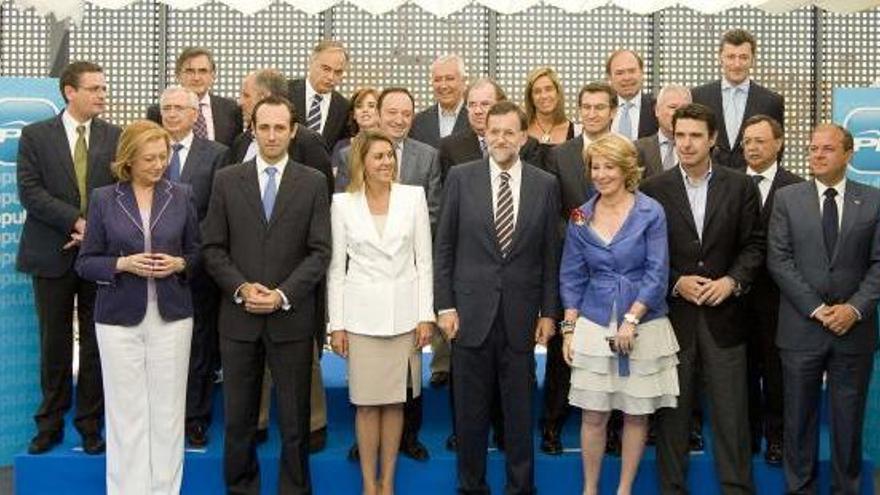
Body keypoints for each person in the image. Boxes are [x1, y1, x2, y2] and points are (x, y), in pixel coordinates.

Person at [201, 95, 331, 494]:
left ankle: (294, 488)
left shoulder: (313, 182)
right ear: (252, 130)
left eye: (280, 127)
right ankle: (241, 487)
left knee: (295, 422)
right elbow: (213, 248)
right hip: (239, 320)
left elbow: (320, 251)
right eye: (264, 127)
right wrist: (241, 288)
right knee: (239, 420)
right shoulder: (226, 180)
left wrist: (282, 294)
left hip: (290, 318)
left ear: (293, 131)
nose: (272, 135)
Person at [435, 100, 561, 495]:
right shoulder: (460, 177)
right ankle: (471, 486)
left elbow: (548, 256)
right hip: (469, 314)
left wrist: (548, 312)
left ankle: (520, 487)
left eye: (510, 132)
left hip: (521, 317)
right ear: (484, 135)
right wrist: (445, 305)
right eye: (495, 132)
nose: (501, 139)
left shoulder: (545, 184)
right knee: (469, 415)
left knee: (519, 413)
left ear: (524, 137)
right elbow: (445, 249)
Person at [641, 103, 763, 495]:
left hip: (725, 319)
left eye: (696, 135)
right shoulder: (652, 190)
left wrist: (731, 282)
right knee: (672, 419)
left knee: (731, 418)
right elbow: (645, 255)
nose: (687, 144)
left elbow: (755, 246)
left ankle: (736, 489)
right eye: (680, 135)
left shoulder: (741, 186)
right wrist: (676, 282)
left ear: (712, 140)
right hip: (673, 320)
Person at [75, 119, 200, 495]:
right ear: (128, 160)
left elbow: (197, 252)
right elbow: (85, 262)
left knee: (167, 413)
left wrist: (181, 264)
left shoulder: (182, 195)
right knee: (125, 413)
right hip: (117, 320)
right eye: (149, 159)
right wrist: (121, 264)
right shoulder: (102, 199)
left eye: (163, 157)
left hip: (173, 317)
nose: (158, 165)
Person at [559, 133, 678, 495]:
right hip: (594, 323)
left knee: (635, 413)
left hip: (644, 321)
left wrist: (632, 318)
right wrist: (568, 328)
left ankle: (624, 489)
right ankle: (590, 489)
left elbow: (658, 272)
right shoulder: (580, 215)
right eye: (596, 167)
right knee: (593, 413)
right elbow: (572, 274)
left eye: (609, 166)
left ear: (626, 170)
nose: (601, 174)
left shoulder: (650, 211)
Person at [768, 124, 880, 494]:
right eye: (812, 149)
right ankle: (800, 489)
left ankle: (846, 489)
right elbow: (779, 261)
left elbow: (879, 263)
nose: (817, 155)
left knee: (848, 422)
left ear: (848, 154)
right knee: (798, 421)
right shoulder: (787, 198)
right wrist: (817, 308)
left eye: (827, 149)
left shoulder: (875, 200)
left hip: (854, 331)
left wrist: (854, 309)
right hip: (801, 329)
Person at [17, 60, 121, 455]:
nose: (101, 96)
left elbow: (122, 191)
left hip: (99, 255)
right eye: (94, 88)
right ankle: (50, 422)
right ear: (69, 92)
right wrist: (77, 224)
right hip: (51, 252)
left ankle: (90, 423)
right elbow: (31, 192)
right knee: (54, 343)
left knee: (96, 343)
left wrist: (94, 232)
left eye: (103, 89)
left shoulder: (115, 136)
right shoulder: (35, 136)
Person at [229, 68, 333, 451]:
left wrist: (288, 288)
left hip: (295, 281)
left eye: (246, 95)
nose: (270, 134)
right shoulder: (238, 147)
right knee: (251, 362)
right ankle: (255, 422)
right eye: (262, 126)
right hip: (246, 278)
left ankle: (314, 425)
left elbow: (320, 215)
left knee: (302, 362)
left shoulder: (309, 148)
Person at [328, 130, 435, 495]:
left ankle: (388, 482)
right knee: (367, 406)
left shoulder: (413, 197)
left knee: (395, 404)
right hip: (360, 319)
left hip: (405, 318)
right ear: (362, 162)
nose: (387, 162)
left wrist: (425, 316)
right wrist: (336, 324)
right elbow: (335, 270)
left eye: (390, 155)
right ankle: (368, 484)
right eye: (378, 156)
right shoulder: (342, 204)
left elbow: (425, 262)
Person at [541, 81, 616, 455]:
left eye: (600, 107)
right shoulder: (560, 154)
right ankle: (552, 424)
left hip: (616, 271)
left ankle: (615, 430)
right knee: (562, 350)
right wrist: (579, 235)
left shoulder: (626, 152)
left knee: (614, 346)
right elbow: (551, 209)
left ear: (613, 112)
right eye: (586, 107)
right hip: (570, 264)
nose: (592, 113)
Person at [159, 86, 229, 448]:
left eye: (179, 108)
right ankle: (160, 418)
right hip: (150, 266)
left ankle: (194, 419)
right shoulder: (147, 149)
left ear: (194, 114)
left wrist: (187, 256)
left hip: (195, 267)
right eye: (166, 108)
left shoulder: (217, 155)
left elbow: (216, 213)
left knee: (198, 347)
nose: (171, 114)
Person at [740, 114, 802, 465]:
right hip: (736, 300)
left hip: (781, 300)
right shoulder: (729, 183)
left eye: (760, 141)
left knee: (777, 375)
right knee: (742, 373)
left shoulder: (796, 187)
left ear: (778, 143)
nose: (752, 147)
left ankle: (777, 438)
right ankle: (746, 438)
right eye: (747, 141)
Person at [691, 29, 784, 170]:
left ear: (753, 59)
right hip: (708, 180)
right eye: (731, 57)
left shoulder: (771, 101)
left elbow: (777, 147)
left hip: (752, 184)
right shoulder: (698, 96)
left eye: (743, 57)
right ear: (720, 58)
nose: (737, 64)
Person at [437, 78, 542, 183]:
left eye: (485, 104)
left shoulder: (527, 145)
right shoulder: (450, 148)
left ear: (501, 105)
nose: (477, 111)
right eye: (472, 105)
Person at [147, 47, 242, 147]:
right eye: (190, 71)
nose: (196, 78)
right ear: (178, 76)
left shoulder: (231, 109)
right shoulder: (158, 112)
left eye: (203, 71)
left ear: (213, 76)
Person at [288, 40, 351, 151]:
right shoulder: (285, 92)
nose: (331, 77)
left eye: (338, 72)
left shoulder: (343, 107)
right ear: (311, 63)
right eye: (326, 69)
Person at [410, 54, 470, 149]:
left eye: (449, 79)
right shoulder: (418, 122)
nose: (443, 86)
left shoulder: (475, 120)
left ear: (463, 81)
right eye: (437, 80)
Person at [635, 84, 692, 178]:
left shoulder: (702, 149)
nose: (679, 113)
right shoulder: (638, 148)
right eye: (673, 107)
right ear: (657, 110)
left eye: (684, 108)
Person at [332, 87, 380, 192]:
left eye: (371, 106)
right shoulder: (341, 146)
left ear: (380, 111)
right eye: (359, 106)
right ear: (354, 114)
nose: (365, 110)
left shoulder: (388, 144)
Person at [605, 50, 658, 141]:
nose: (627, 78)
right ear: (609, 77)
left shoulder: (657, 109)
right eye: (619, 73)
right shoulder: (602, 109)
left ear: (642, 73)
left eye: (632, 71)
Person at [524, 66, 574, 146]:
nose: (544, 96)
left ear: (558, 93)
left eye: (549, 89)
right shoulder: (521, 130)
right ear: (531, 98)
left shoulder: (576, 132)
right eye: (537, 91)